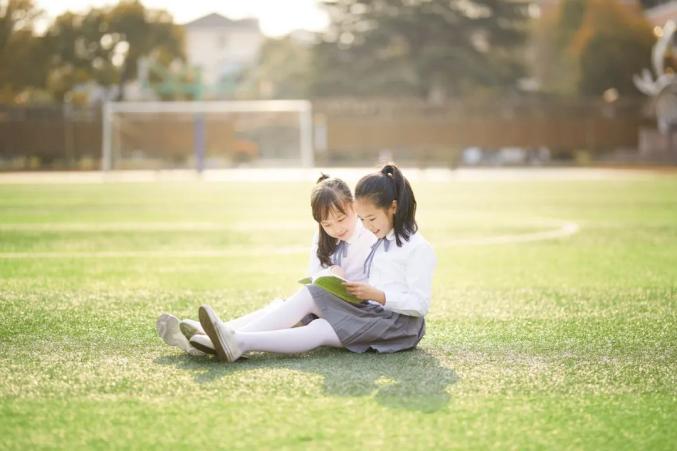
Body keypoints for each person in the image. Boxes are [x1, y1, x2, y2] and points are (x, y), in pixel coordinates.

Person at [199, 163, 436, 362]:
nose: (367, 226)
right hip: (375, 312)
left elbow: (419, 305)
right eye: (363, 219)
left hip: (400, 327)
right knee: (311, 297)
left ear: (393, 207)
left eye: (371, 218)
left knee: (319, 328)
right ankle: (230, 338)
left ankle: (237, 340)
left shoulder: (417, 248)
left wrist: (377, 295)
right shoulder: (381, 239)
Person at [156, 174, 377, 356]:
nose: (336, 228)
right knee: (281, 307)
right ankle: (206, 338)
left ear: (354, 207)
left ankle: (223, 338)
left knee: (302, 301)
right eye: (327, 223)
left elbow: (379, 284)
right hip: (326, 308)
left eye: (341, 219)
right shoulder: (323, 237)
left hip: (353, 309)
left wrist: (345, 283)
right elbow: (316, 275)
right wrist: (330, 274)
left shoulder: (369, 233)